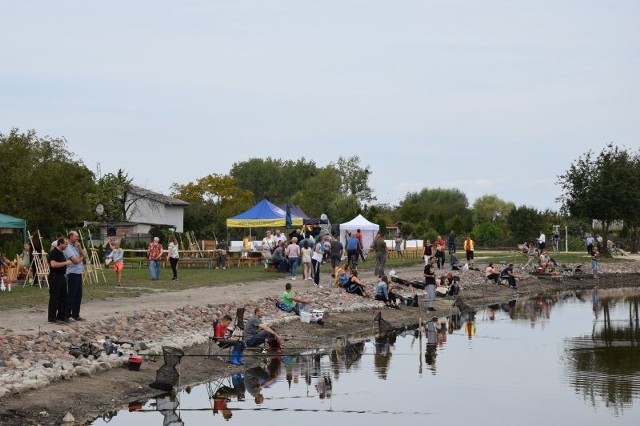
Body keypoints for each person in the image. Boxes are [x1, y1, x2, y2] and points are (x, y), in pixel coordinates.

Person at [64, 231, 87, 321]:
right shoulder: (68, 247)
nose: (77, 238)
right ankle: (67, 314)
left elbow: (84, 255)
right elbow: (75, 261)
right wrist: (81, 258)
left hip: (79, 272)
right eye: (76, 236)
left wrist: (80, 248)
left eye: (78, 236)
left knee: (78, 295)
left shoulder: (76, 247)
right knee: (71, 294)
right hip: (72, 273)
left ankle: (75, 314)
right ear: (71, 237)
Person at [48, 237, 71, 323]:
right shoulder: (54, 253)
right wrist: (65, 263)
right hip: (55, 277)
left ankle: (61, 315)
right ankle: (52, 317)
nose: (66, 246)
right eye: (65, 244)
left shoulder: (62, 253)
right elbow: (53, 264)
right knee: (55, 297)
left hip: (62, 277)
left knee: (64, 297)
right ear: (60, 243)